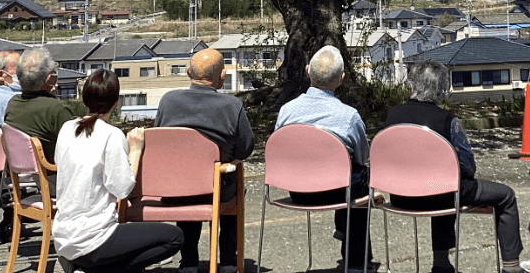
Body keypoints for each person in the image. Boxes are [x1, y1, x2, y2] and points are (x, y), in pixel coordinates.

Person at [385, 60, 529, 273]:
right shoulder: (447, 120)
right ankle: (511, 266)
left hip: (400, 195)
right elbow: (468, 166)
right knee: (505, 195)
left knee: (440, 184)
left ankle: (441, 264)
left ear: (411, 86)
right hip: (440, 192)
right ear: (443, 89)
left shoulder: (392, 115)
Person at [53, 69, 184, 273]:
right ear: (116, 102)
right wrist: (135, 150)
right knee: (174, 238)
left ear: (83, 98)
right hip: (94, 239)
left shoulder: (67, 128)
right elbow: (122, 189)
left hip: (63, 236)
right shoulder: (111, 135)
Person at [274, 45, 377, 273]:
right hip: (337, 190)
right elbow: (363, 156)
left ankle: (345, 232)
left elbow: (277, 148)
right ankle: (356, 262)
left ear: (307, 71)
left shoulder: (287, 111)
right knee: (361, 176)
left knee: (353, 177)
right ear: (341, 78)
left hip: (296, 189)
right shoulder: (349, 116)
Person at [154, 48, 254, 273]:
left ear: (189, 72)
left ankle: (188, 262)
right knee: (231, 181)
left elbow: (157, 138)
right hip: (215, 188)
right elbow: (246, 148)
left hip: (174, 186)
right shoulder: (232, 106)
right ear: (222, 75)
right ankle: (228, 261)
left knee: (188, 183)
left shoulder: (168, 101)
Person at [4, 47, 73, 165]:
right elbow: (78, 149)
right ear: (50, 79)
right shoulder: (56, 109)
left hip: (19, 175)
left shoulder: (12, 104)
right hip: (51, 176)